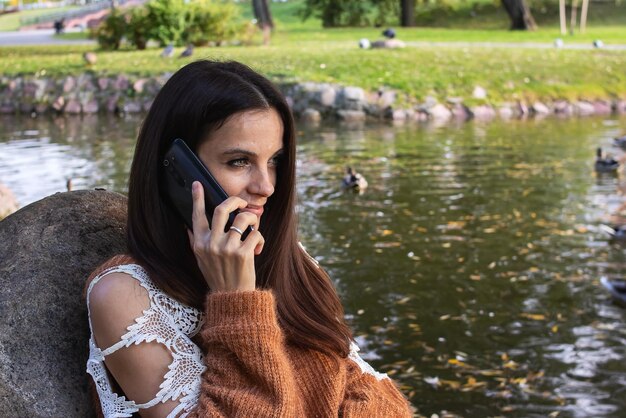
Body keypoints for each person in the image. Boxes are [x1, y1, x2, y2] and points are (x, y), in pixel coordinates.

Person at [85, 60, 412, 417]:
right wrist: (237, 302)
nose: (266, 186)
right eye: (239, 161)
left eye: (275, 160)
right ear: (175, 169)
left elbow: (376, 396)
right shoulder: (125, 298)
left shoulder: (286, 257)